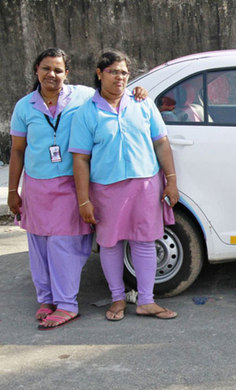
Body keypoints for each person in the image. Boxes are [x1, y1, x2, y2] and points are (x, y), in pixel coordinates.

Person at [7, 48, 147, 330]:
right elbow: (18, 151)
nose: (52, 75)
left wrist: (138, 91)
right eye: (46, 68)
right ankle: (46, 299)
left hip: (70, 184)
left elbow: (114, 90)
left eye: (58, 70)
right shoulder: (25, 107)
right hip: (36, 185)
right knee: (39, 244)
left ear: (66, 73)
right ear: (36, 70)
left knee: (65, 244)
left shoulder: (82, 96)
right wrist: (13, 190)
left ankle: (67, 304)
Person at [70, 50, 179, 321]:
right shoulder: (87, 112)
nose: (119, 77)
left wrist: (171, 180)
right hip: (106, 189)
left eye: (124, 72)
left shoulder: (142, 103)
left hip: (145, 184)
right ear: (99, 73)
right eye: (113, 71)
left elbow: (161, 142)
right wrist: (84, 200)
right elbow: (81, 159)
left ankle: (146, 300)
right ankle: (117, 298)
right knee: (110, 244)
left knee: (144, 241)